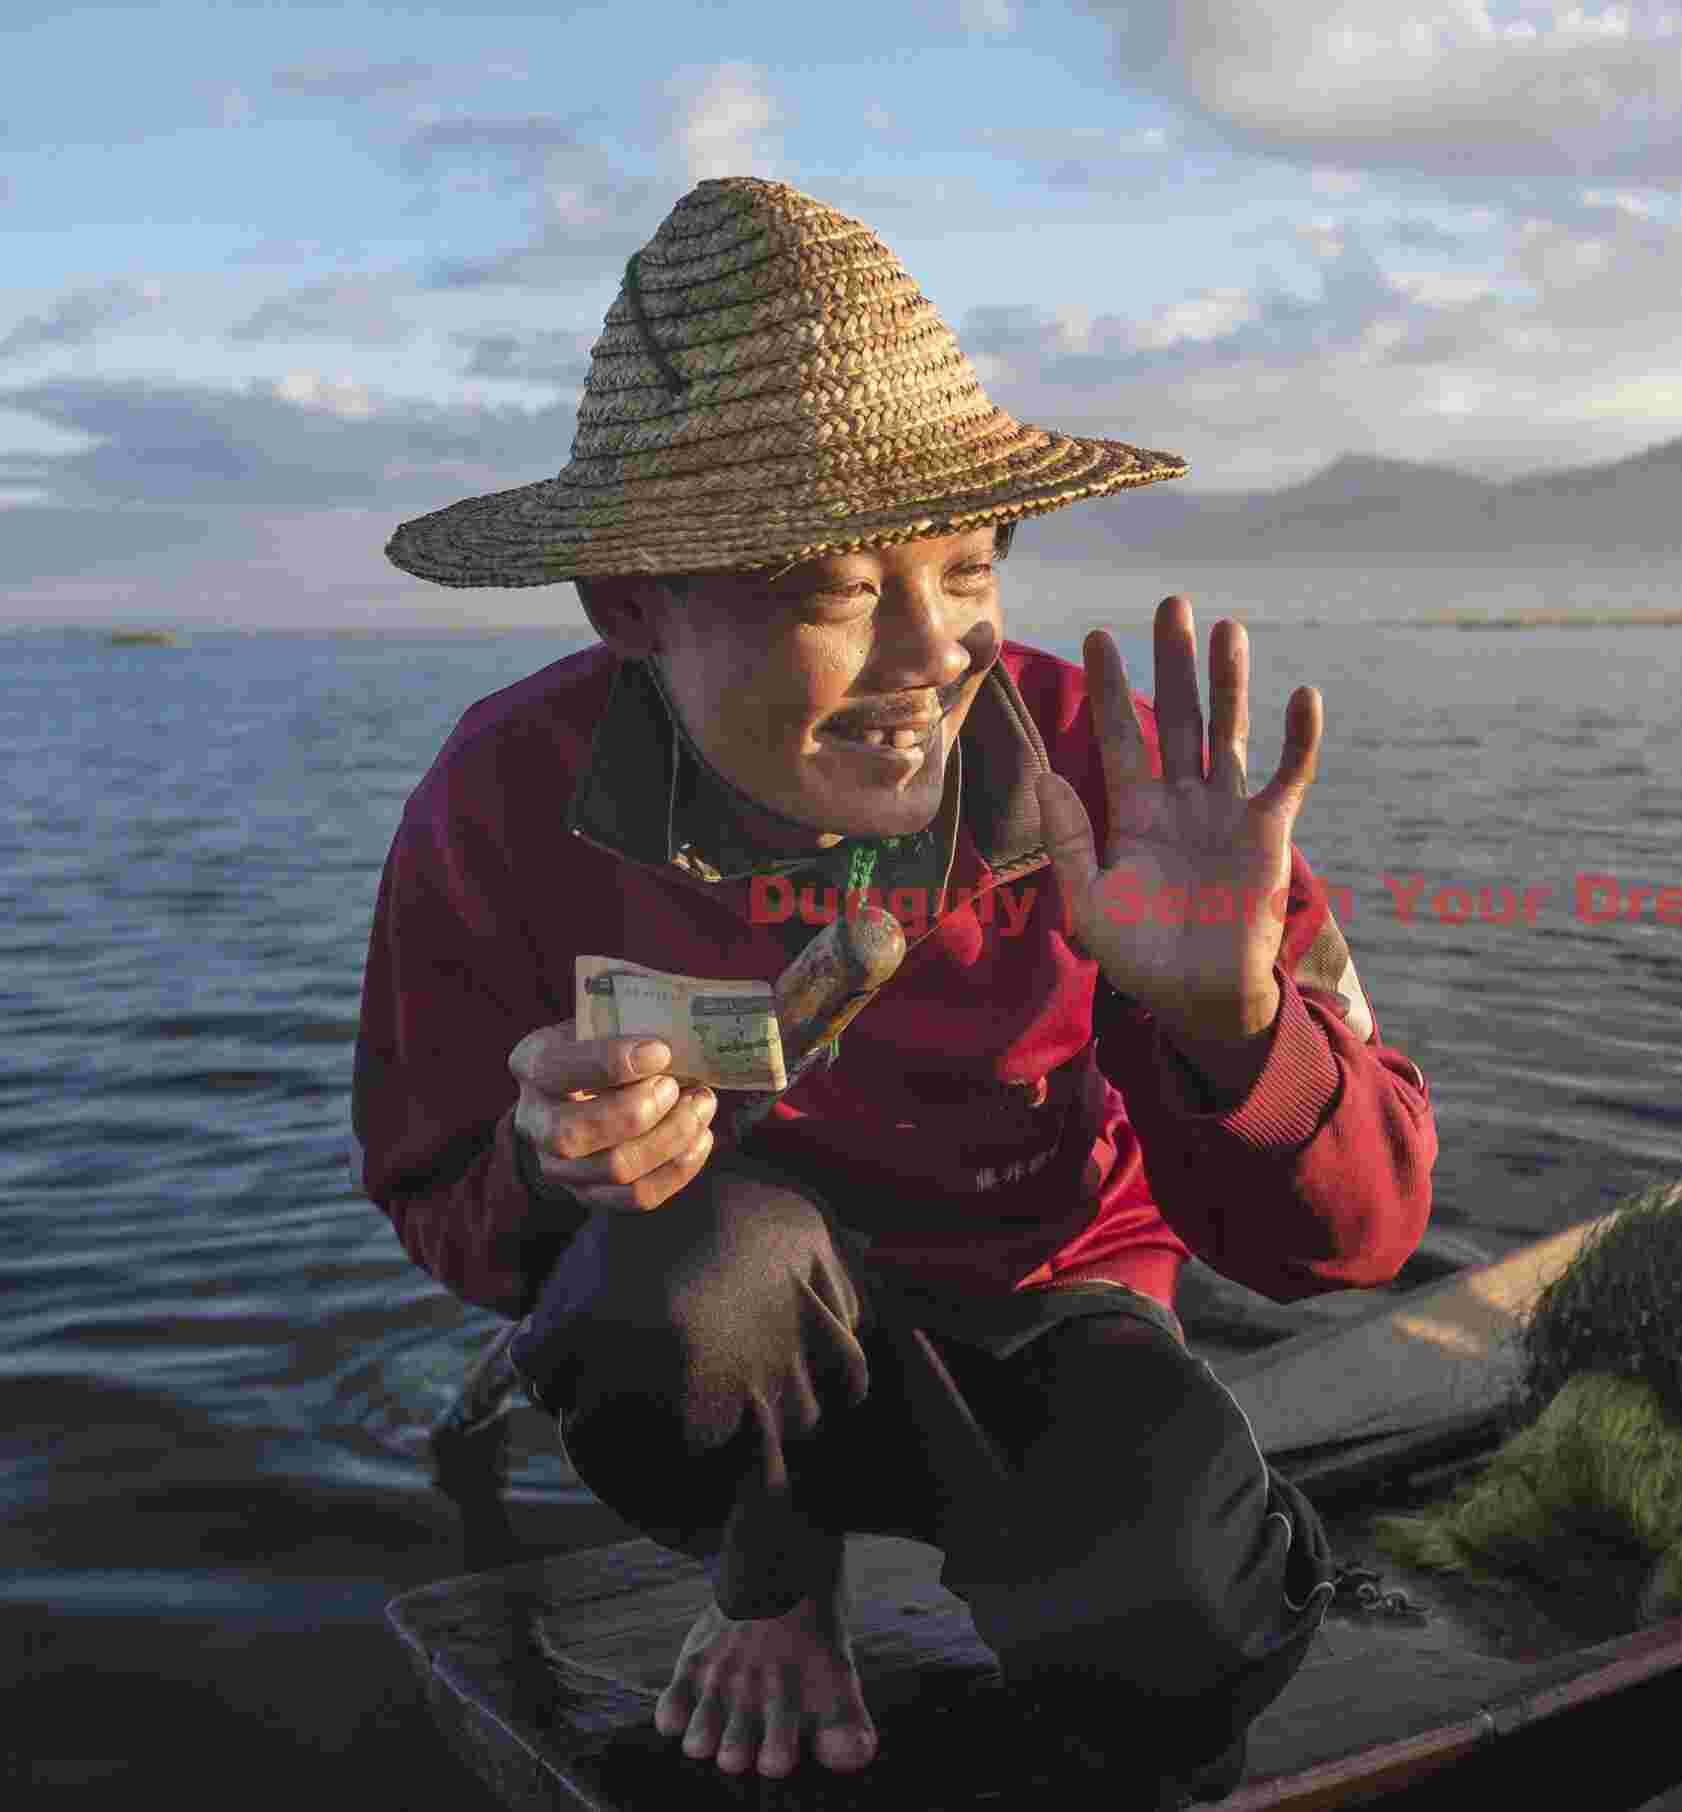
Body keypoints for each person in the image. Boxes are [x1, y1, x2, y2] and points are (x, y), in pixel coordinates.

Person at [354, 177, 1437, 1802]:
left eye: (970, 566)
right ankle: (771, 1576)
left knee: (1176, 1634)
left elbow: (1354, 1238)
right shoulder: (511, 794)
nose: (933, 651)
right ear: (633, 603)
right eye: (836, 588)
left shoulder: (1112, 782)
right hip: (734, 1345)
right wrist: (546, 1164)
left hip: (1051, 1315)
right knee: (684, 1266)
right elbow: (437, 1179)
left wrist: (1233, 1027)